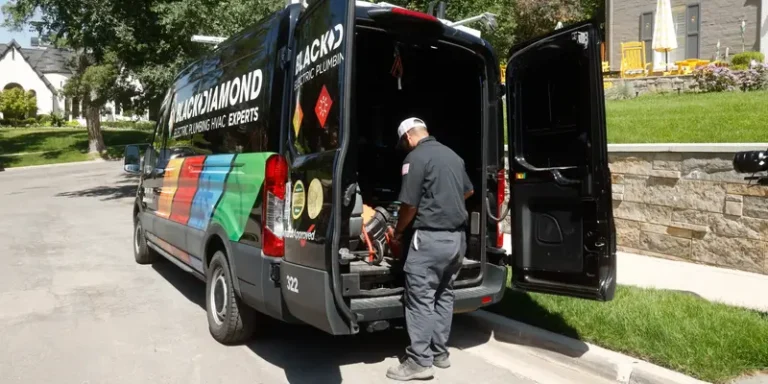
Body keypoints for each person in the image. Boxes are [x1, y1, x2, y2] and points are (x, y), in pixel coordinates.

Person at [386, 117, 474, 381]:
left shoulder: (415, 159)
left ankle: (419, 362)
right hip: (457, 240)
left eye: (403, 144)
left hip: (429, 240)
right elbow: (468, 192)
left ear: (408, 138)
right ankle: (439, 353)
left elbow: (409, 205)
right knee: (444, 294)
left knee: (420, 299)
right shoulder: (453, 156)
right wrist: (444, 199)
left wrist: (399, 232)